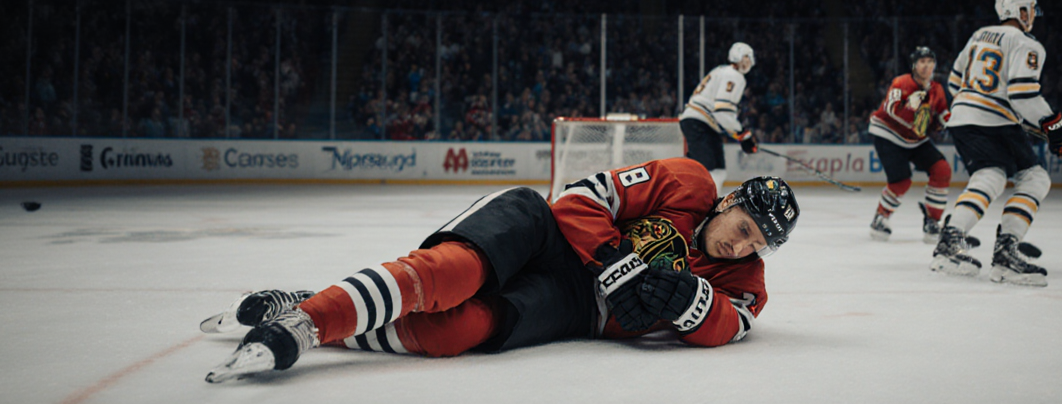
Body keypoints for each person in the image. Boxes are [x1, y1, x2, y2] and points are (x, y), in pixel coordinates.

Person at [203, 157, 800, 383]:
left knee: (453, 332)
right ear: (729, 201)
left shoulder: (743, 282)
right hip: (549, 235)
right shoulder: (687, 180)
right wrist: (616, 262)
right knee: (450, 273)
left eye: (758, 246)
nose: (742, 248)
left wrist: (691, 306)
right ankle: (306, 321)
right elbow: (581, 196)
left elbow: (729, 324)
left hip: (575, 308)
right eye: (745, 227)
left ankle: (312, 302)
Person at [930, 0, 1062, 287]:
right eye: (1030, 9)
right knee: (999, 176)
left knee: (1027, 177)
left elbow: (955, 81)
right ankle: (957, 244)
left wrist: (989, 106)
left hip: (968, 116)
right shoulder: (1026, 43)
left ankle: (998, 249)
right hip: (992, 121)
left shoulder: (979, 34)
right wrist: (1054, 125)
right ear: (1020, 12)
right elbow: (1022, 93)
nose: (1033, 14)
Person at [867, 46, 952, 243]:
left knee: (942, 170)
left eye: (930, 61)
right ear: (914, 65)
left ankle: (933, 221)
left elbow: (942, 113)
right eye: (922, 62)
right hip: (888, 135)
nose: (926, 66)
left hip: (915, 139)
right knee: (901, 181)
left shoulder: (937, 89)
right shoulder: (901, 82)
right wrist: (910, 109)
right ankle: (880, 217)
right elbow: (890, 109)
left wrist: (951, 121)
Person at [679, 42, 760, 194]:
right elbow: (722, 111)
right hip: (700, 121)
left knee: (718, 170)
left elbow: (720, 114)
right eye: (746, 58)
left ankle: (705, 203)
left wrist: (740, 135)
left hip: (700, 121)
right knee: (708, 170)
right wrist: (743, 135)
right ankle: (698, 205)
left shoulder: (720, 70)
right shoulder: (735, 76)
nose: (748, 62)